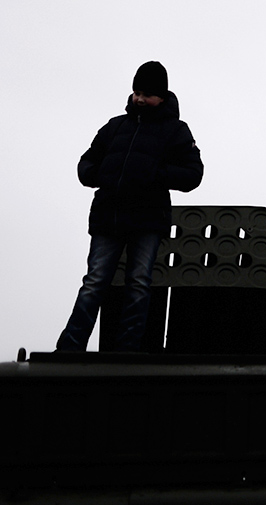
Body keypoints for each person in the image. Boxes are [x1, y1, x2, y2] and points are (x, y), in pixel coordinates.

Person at [57, 61, 204, 352]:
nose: (138, 98)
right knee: (94, 283)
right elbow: (86, 162)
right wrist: (99, 175)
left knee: (138, 284)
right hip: (108, 217)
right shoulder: (115, 126)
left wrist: (155, 174)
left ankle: (127, 351)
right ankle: (69, 350)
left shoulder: (176, 131)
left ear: (161, 96)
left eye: (146, 93)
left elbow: (193, 174)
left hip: (147, 219)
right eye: (136, 91)